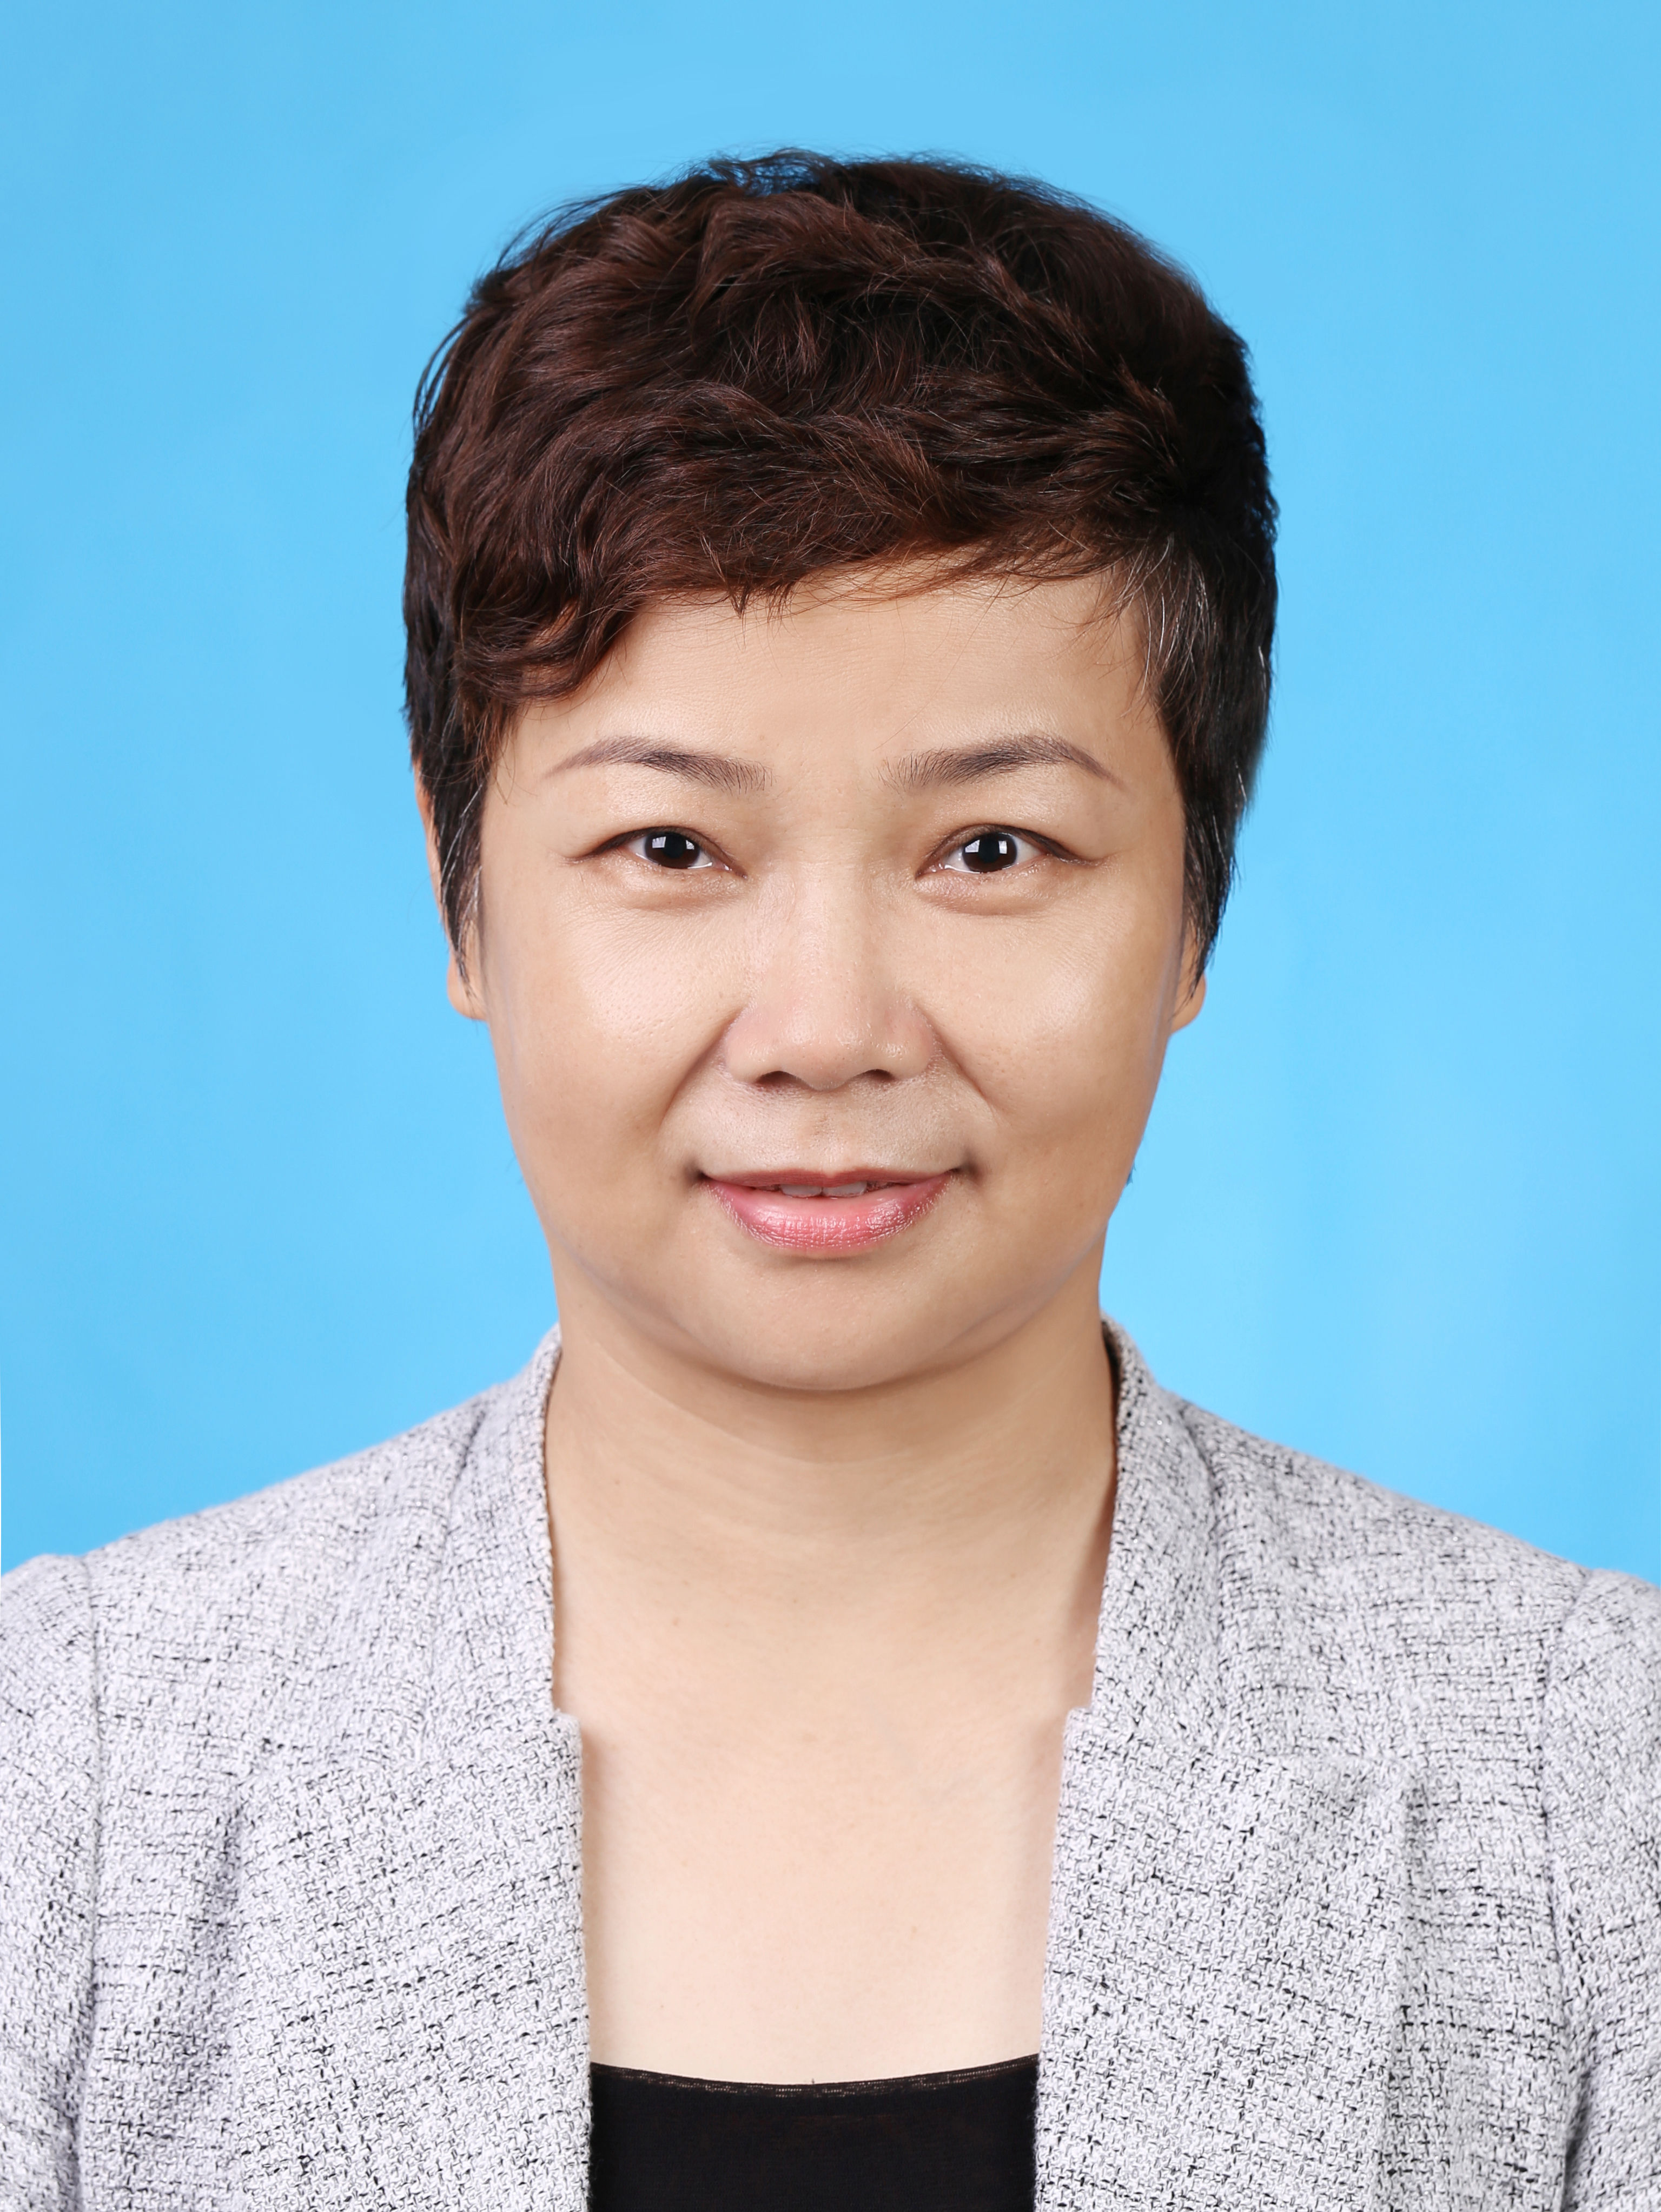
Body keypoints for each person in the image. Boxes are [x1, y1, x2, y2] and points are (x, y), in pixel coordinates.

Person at [2, 151, 1657, 2212]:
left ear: (1195, 908)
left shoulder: (1594, 1788)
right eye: (670, 849)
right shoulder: (64, 1783)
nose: (826, 1026)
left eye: (992, 850)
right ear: (460, 890)